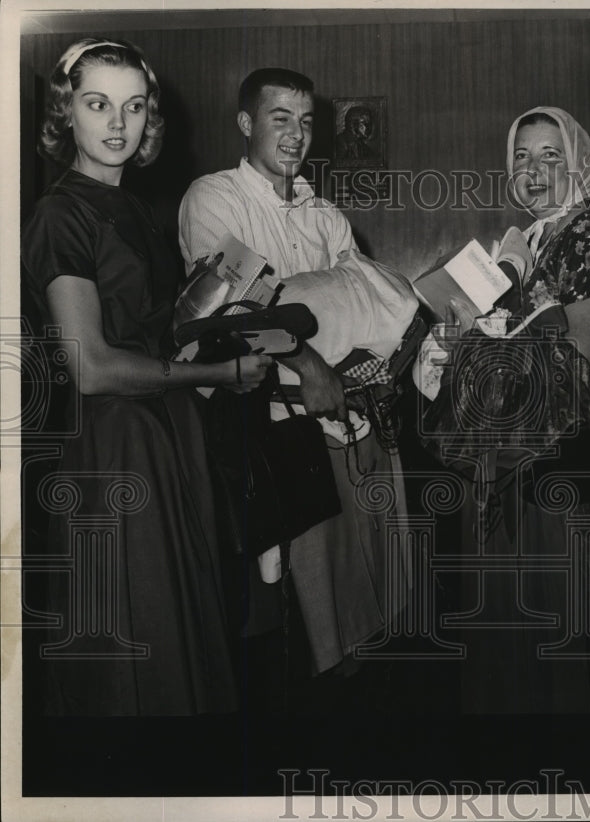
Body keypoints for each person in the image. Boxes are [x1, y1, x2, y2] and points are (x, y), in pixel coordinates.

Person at [21, 38, 272, 715]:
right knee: (141, 655)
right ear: (65, 110)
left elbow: (144, 328)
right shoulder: (58, 214)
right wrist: (219, 371)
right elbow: (94, 367)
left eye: (133, 108)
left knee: (183, 638)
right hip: (117, 446)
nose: (117, 124)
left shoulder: (134, 210)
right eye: (98, 104)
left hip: (168, 436)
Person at [178, 67, 407, 679]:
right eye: (280, 118)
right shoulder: (214, 198)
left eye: (306, 122)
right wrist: (309, 363)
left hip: (343, 412)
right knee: (300, 617)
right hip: (266, 422)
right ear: (247, 123)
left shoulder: (325, 213)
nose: (295, 134)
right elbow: (231, 313)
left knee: (367, 592)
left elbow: (363, 299)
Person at [439, 107, 590, 712]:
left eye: (551, 156)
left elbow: (580, 361)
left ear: (580, 163)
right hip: (521, 437)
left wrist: (482, 352)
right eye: (523, 157)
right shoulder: (526, 241)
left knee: (564, 614)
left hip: (572, 439)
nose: (535, 170)